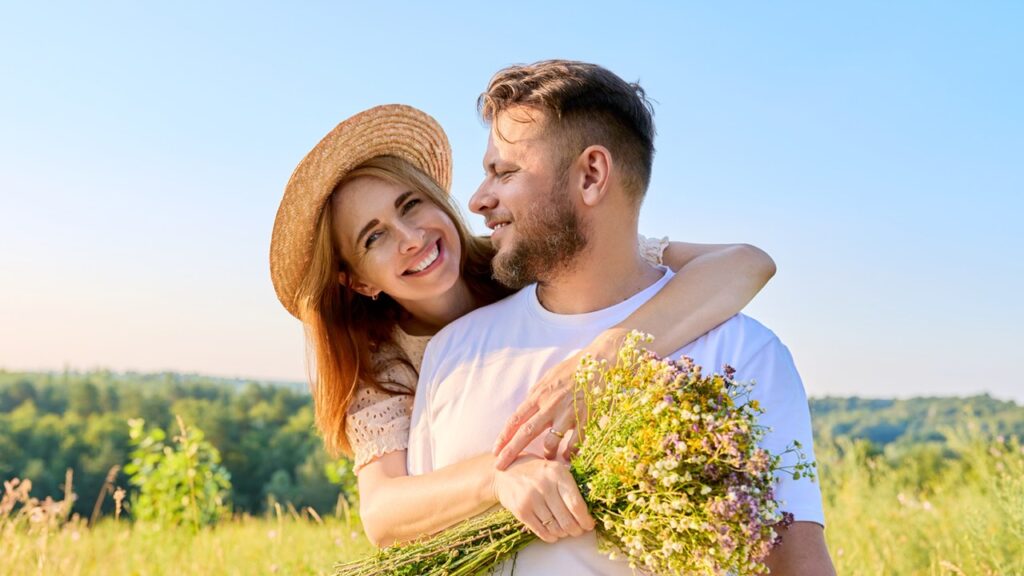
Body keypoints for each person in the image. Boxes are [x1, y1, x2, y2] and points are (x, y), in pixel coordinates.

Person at [270, 104, 776, 547]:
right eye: (373, 237)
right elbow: (382, 514)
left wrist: (610, 356)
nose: (410, 237)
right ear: (357, 281)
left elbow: (745, 263)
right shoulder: (384, 361)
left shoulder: (527, 257)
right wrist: (502, 476)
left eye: (411, 205)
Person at [408, 60, 836, 574]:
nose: (478, 199)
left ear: (591, 175)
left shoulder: (742, 355)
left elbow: (796, 563)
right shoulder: (454, 353)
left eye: (505, 172)